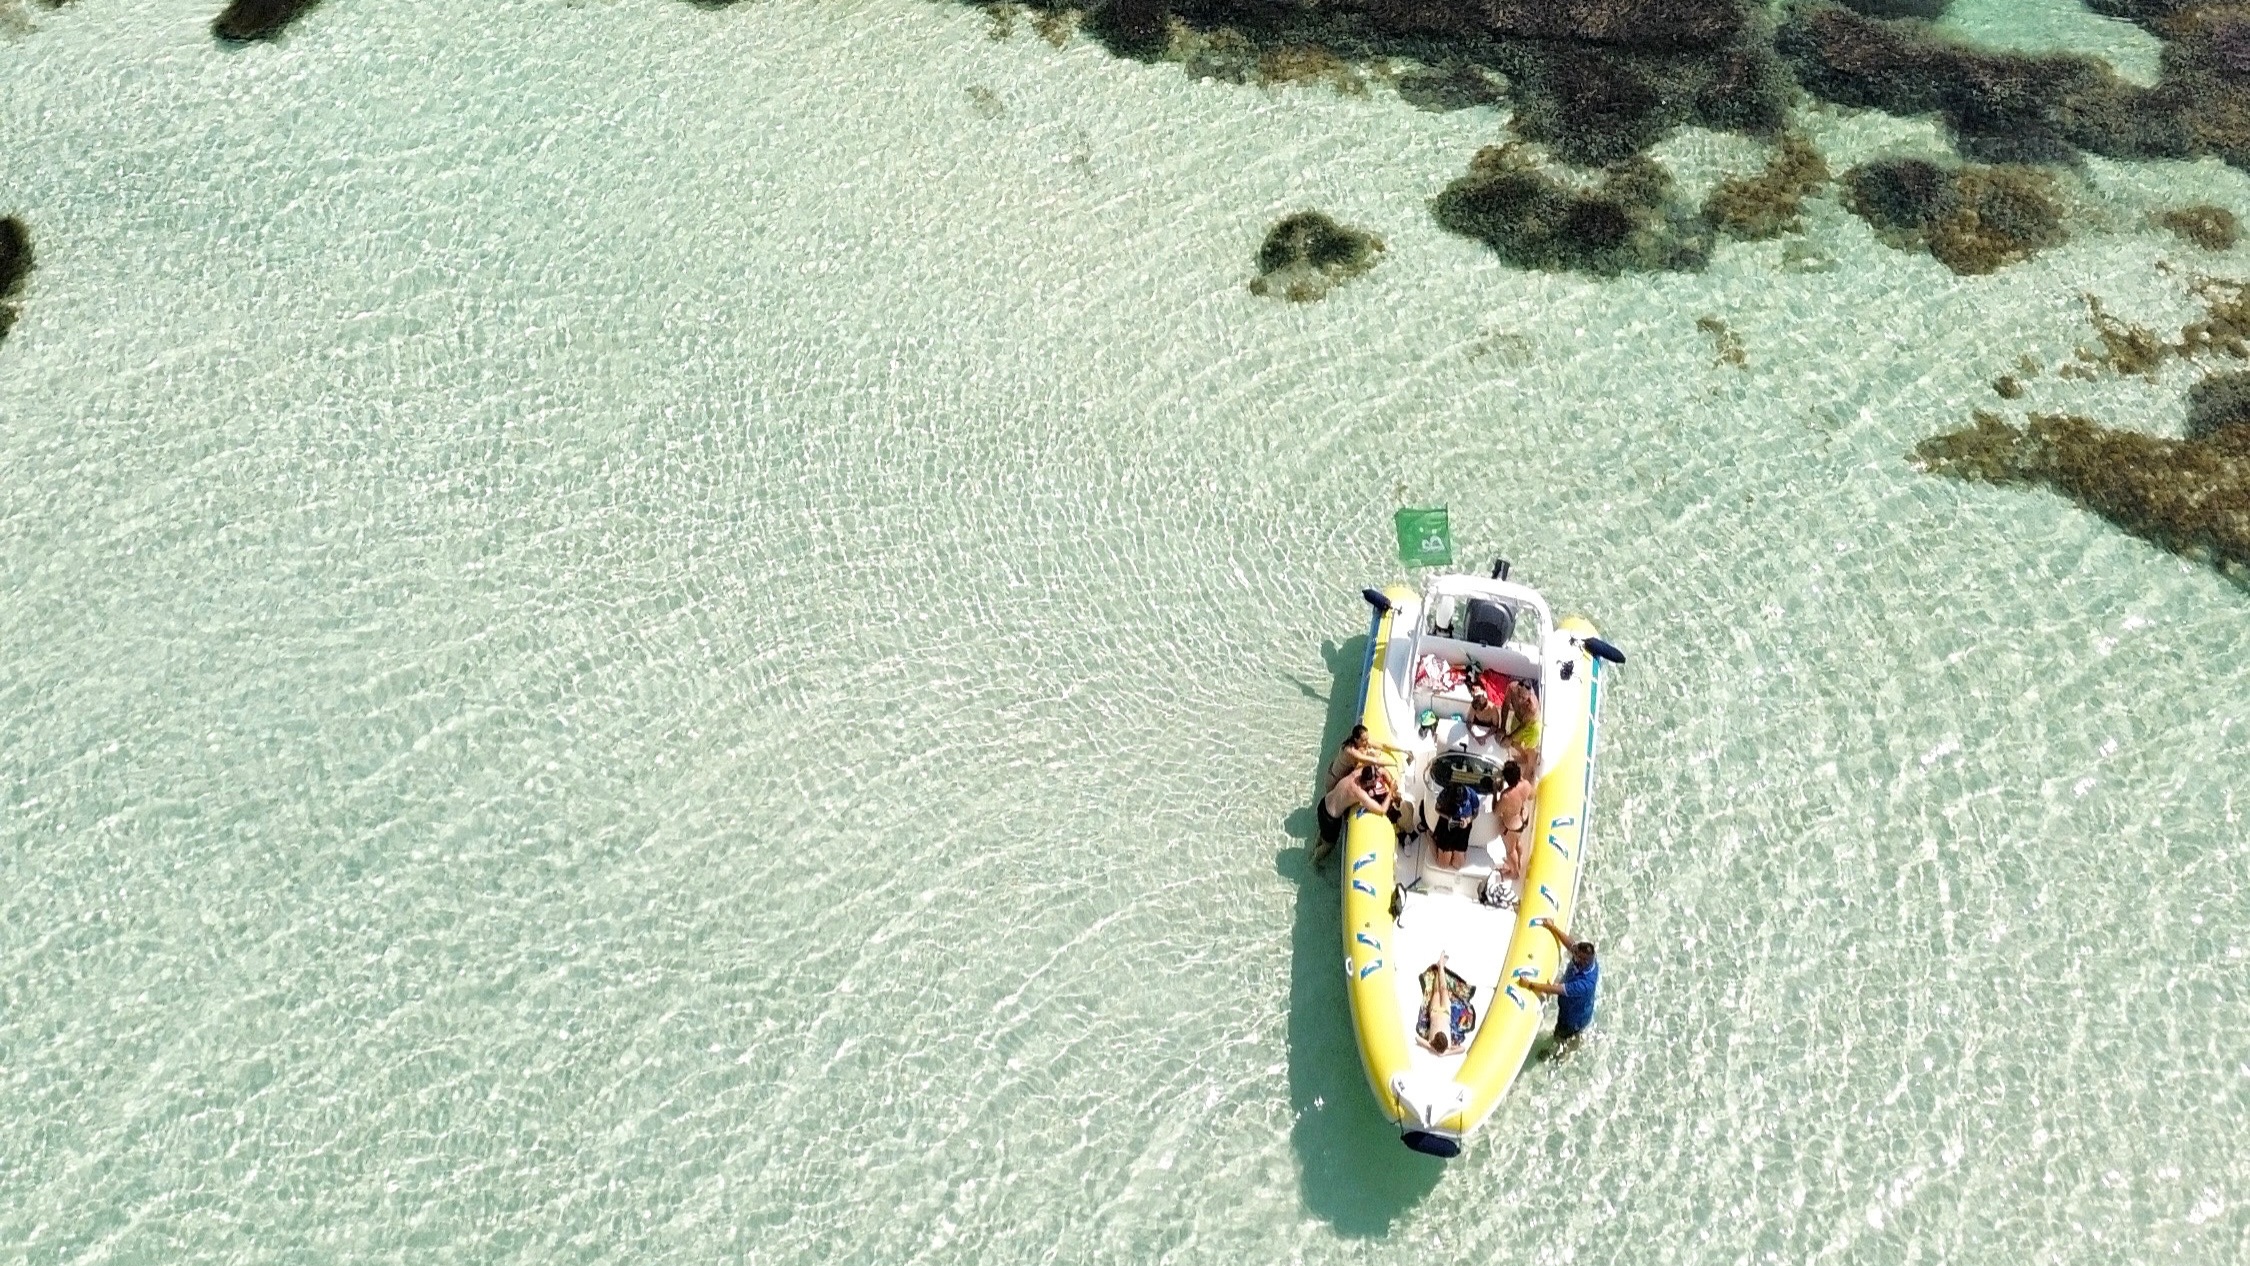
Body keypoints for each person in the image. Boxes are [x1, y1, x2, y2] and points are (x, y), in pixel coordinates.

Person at [1518, 917, 1598, 1044]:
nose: (1574, 953)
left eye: (1576, 955)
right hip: (1571, 1005)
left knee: (1560, 1036)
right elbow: (1570, 944)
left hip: (1573, 1018)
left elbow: (1555, 990)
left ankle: (1558, 1052)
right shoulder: (1585, 959)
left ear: (1584, 961)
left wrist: (1529, 984)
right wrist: (1552, 927)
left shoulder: (1584, 984)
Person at [1315, 763, 1393, 864]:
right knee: (1328, 846)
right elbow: (1382, 810)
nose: (1378, 780)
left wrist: (1389, 780)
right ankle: (1314, 862)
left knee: (1323, 835)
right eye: (1375, 781)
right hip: (1330, 818)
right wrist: (1391, 792)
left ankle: (1314, 849)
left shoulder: (1357, 773)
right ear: (1369, 783)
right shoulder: (1359, 793)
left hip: (1324, 804)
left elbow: (1382, 770)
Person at [1322, 724, 1402, 793]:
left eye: (1367, 738)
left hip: (1342, 777)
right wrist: (1394, 764)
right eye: (1364, 740)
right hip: (1334, 781)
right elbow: (1374, 761)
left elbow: (1383, 746)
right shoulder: (1350, 751)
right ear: (1356, 739)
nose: (1367, 742)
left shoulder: (1362, 743)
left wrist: (1404, 750)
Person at [1429, 780, 1480, 870]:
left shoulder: (1472, 795)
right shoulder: (1446, 793)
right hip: (1447, 826)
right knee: (1443, 865)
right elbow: (1437, 808)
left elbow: (1475, 813)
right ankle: (1430, 836)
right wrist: (1448, 817)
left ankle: (1456, 851)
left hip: (1463, 827)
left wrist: (1468, 820)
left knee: (1458, 865)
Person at [1495, 761, 1532, 882]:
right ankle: (1519, 861)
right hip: (1523, 818)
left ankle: (1514, 872)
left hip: (1512, 826)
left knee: (1510, 850)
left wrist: (1495, 793)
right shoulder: (1525, 784)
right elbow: (1530, 796)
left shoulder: (1506, 796)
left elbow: (1496, 811)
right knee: (1517, 842)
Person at [1499, 679, 1541, 776]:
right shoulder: (1511, 688)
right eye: (1520, 696)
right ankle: (1523, 756)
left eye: (1524, 698)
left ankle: (1530, 768)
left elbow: (1523, 726)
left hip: (1531, 725)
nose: (1521, 700)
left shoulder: (1532, 706)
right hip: (1518, 719)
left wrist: (1509, 737)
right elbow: (1505, 706)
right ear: (1517, 688)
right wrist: (1502, 727)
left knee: (1530, 748)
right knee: (1514, 743)